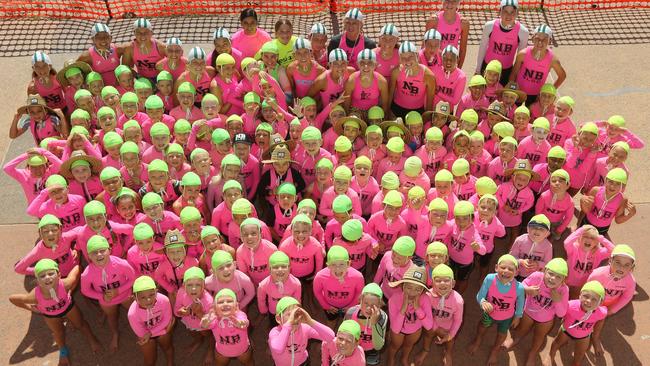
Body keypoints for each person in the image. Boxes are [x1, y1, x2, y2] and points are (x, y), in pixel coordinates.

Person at [10, 259, 101, 365]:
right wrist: (31, 308)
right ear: (37, 280)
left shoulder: (66, 284)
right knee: (58, 333)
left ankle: (91, 339)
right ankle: (63, 352)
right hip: (51, 316)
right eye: (42, 276)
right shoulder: (34, 296)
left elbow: (78, 268)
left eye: (50, 273)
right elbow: (13, 298)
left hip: (69, 308)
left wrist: (72, 289)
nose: (47, 277)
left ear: (59, 275)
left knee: (80, 324)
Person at [504, 258, 569, 366]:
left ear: (563, 280)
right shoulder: (537, 276)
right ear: (544, 271)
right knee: (522, 329)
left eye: (558, 277)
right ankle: (516, 339)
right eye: (551, 274)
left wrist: (557, 301)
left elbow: (561, 314)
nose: (553, 279)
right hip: (528, 312)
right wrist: (527, 290)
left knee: (539, 336)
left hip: (546, 320)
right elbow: (520, 286)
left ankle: (533, 353)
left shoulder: (563, 290)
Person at [81, 235, 136, 351]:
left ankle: (139, 328)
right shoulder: (87, 274)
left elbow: (133, 278)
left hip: (125, 295)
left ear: (109, 251)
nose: (99, 255)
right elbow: (85, 290)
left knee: (135, 312)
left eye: (102, 251)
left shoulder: (121, 264)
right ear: (89, 256)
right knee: (112, 318)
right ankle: (115, 333)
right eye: (94, 253)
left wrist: (118, 290)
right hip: (106, 301)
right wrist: (101, 296)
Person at [469, 254, 525, 365]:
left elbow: (520, 303)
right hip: (489, 314)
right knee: (482, 326)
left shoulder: (519, 287)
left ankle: (495, 350)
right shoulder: (490, 279)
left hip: (506, 317)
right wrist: (483, 302)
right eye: (503, 267)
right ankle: (478, 340)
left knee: (502, 333)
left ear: (517, 272)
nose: (506, 271)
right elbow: (480, 296)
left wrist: (518, 316)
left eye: (511, 269)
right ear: (496, 268)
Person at [587, 244, 637, 355]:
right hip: (593, 300)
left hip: (608, 305)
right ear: (610, 260)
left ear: (631, 268)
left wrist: (612, 310)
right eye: (618, 262)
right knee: (586, 316)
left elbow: (627, 297)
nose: (621, 268)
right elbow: (587, 287)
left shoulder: (630, 281)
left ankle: (595, 337)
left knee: (600, 319)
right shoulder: (598, 274)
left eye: (626, 265)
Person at [544, 281, 607, 366]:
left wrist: (595, 336)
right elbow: (562, 312)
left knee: (580, 353)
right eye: (586, 296)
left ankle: (576, 363)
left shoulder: (601, 312)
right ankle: (551, 354)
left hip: (584, 336)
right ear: (580, 295)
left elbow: (602, 319)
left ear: (601, 302)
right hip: (566, 331)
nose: (588, 301)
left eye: (594, 299)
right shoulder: (571, 305)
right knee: (556, 343)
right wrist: (563, 318)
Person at [415, 264, 463, 366]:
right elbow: (426, 315)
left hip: (448, 327)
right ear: (432, 283)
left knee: (450, 340)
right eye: (437, 280)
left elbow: (458, 320)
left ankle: (448, 352)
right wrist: (436, 328)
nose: (442, 283)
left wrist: (450, 334)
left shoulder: (458, 301)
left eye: (446, 280)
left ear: (453, 283)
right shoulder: (427, 296)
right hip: (432, 324)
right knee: (428, 335)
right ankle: (425, 350)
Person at [386, 265, 434, 366]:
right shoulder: (394, 299)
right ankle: (390, 360)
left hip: (415, 330)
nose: (412, 292)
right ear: (403, 286)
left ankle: (404, 358)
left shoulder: (425, 299)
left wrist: (417, 308)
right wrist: (403, 309)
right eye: (409, 287)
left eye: (417, 289)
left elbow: (429, 326)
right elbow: (395, 329)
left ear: (422, 290)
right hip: (399, 331)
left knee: (409, 345)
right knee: (394, 346)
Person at [268, 297, 335, 365]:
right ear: (278, 319)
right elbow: (278, 349)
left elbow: (330, 336)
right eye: (289, 314)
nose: (294, 318)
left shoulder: (304, 328)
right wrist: (288, 326)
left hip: (302, 363)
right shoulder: (275, 332)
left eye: (296, 314)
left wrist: (310, 321)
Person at [476, 0, 529, 85]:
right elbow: (482, 48)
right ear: (500, 12)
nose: (509, 15)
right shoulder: (489, 26)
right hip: (487, 68)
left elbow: (520, 59)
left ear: (517, 13)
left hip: (506, 71)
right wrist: (478, 70)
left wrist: (515, 78)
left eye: (512, 12)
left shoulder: (523, 32)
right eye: (505, 11)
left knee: (502, 97)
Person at [511, 24, 566, 105]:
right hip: (519, 91)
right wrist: (512, 90)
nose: (540, 42)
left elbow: (562, 76)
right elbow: (514, 73)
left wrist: (548, 91)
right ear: (533, 39)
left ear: (550, 41)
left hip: (536, 95)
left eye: (544, 39)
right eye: (537, 38)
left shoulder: (553, 60)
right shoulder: (523, 54)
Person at [128, 275, 175, 366]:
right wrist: (164, 330)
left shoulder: (164, 300)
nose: (148, 300)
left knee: (168, 348)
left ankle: (170, 363)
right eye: (143, 297)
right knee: (149, 361)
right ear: (135, 298)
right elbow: (141, 333)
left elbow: (167, 319)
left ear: (156, 292)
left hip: (155, 333)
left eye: (151, 295)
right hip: (153, 334)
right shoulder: (132, 314)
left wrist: (151, 333)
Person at [201, 288, 254, 366]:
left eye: (229, 301)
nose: (225, 304)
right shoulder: (214, 318)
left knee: (248, 362)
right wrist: (204, 323)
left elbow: (245, 322)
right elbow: (207, 325)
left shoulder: (240, 315)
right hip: (222, 352)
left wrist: (242, 324)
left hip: (243, 350)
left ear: (236, 306)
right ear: (215, 307)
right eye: (220, 302)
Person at [425, 0, 470, 67]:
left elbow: (463, 49)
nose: (449, 4)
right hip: (435, 62)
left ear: (458, 3)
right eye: (447, 1)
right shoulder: (433, 20)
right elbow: (424, 46)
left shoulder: (463, 23)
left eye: (453, 1)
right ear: (442, 2)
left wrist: (459, 68)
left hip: (451, 61)